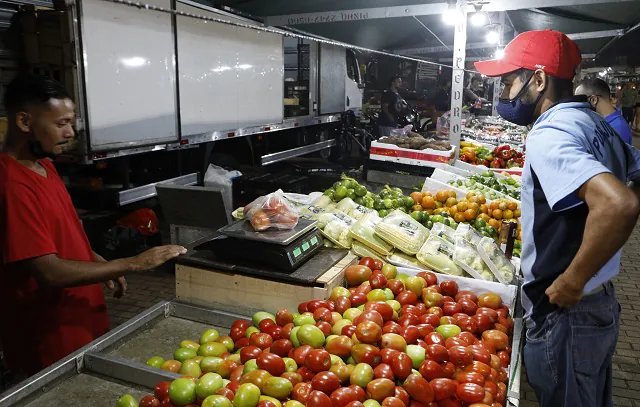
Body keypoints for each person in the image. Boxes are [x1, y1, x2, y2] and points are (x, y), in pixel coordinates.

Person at [476, 29, 640, 407]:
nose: (504, 95)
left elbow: (620, 205)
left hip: (567, 314)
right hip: (597, 306)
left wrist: (573, 279)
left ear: (538, 79)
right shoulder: (595, 122)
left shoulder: (550, 133)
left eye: (507, 83)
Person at [0, 74, 187, 377]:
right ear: (24, 122)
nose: (69, 132)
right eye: (60, 124)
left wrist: (96, 260)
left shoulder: (44, 166)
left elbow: (62, 232)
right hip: (50, 337)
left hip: (81, 319)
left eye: (71, 122)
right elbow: (48, 272)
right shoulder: (12, 185)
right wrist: (130, 264)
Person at [575, 78, 633, 144]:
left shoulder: (618, 129)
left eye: (580, 101)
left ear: (594, 100)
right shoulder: (599, 120)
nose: (577, 106)